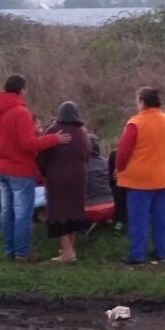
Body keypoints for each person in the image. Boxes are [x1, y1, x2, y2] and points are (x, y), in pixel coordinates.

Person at [0, 74, 69, 262]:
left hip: (1, 169)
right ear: (22, 90)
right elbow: (29, 144)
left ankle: (9, 251)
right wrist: (54, 139)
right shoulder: (21, 113)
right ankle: (22, 253)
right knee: (22, 213)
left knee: (7, 212)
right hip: (21, 170)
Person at [116, 87, 165, 266]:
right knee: (162, 217)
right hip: (164, 176)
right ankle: (162, 253)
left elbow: (123, 153)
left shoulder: (135, 123)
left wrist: (119, 169)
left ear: (142, 102)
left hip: (140, 180)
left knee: (138, 220)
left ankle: (137, 256)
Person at [37, 101, 91, 264]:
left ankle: (68, 252)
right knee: (74, 212)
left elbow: (42, 157)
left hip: (58, 178)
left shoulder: (53, 130)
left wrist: (45, 172)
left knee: (59, 213)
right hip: (78, 177)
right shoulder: (82, 133)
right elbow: (87, 155)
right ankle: (70, 248)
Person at [84, 135, 115, 227]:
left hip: (90, 211)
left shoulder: (81, 165)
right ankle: (108, 219)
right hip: (111, 207)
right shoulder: (105, 162)